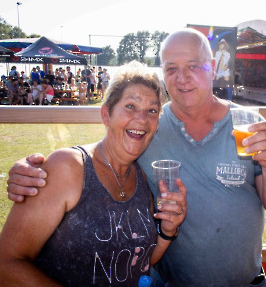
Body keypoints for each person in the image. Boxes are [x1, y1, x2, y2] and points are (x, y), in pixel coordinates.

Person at [6, 28, 266, 286]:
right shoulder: (151, 127)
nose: (182, 78)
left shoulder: (249, 124)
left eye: (193, 66)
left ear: (213, 67)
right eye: (171, 68)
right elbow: (104, 151)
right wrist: (37, 171)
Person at [0, 61, 187, 286]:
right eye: (130, 106)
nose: (142, 118)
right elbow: (7, 263)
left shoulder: (142, 179)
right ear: (106, 114)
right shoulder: (68, 167)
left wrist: (167, 231)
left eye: (152, 110)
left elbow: (136, 263)